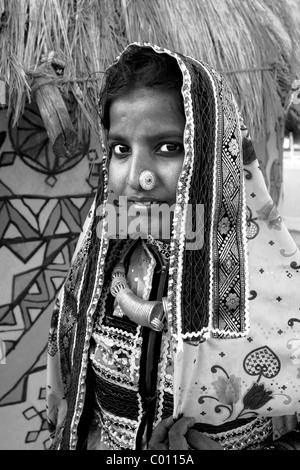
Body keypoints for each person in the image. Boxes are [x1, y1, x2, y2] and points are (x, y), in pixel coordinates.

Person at [46, 42, 300, 451]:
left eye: (168, 147)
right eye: (120, 149)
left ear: (216, 154)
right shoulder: (93, 271)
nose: (135, 177)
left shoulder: (277, 285)